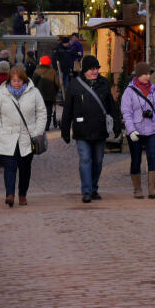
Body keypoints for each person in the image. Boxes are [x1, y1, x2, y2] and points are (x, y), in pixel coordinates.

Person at [61, 55, 121, 202]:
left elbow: (111, 106)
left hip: (100, 129)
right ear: (85, 70)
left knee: (98, 161)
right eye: (91, 69)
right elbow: (68, 109)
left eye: (97, 68)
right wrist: (65, 129)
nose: (95, 71)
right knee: (86, 159)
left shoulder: (104, 83)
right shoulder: (75, 85)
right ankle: (86, 191)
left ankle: (93, 188)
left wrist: (117, 125)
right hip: (82, 130)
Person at [0, 66, 47, 207]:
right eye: (14, 80)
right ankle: (9, 194)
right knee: (10, 166)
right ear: (10, 80)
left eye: (19, 80)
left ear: (24, 80)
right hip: (8, 136)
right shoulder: (2, 94)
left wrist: (37, 131)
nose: (17, 83)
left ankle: (22, 194)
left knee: (25, 168)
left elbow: (41, 112)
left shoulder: (34, 93)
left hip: (28, 137)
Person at [122, 62, 155, 199]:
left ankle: (152, 189)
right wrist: (131, 130)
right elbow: (126, 112)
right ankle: (137, 189)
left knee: (152, 158)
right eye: (145, 74)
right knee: (136, 159)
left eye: (149, 74)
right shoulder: (129, 91)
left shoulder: (154, 89)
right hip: (136, 130)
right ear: (139, 75)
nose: (148, 76)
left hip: (152, 129)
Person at [32, 55, 59, 131]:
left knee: (39, 111)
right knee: (49, 110)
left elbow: (33, 83)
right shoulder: (52, 71)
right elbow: (57, 83)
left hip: (39, 95)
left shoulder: (37, 70)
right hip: (50, 95)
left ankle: (40, 126)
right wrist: (55, 92)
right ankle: (47, 126)